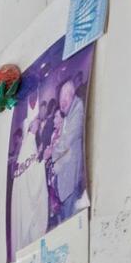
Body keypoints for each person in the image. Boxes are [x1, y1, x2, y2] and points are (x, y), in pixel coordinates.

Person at [10, 91, 50, 254]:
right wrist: (42, 163)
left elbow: (29, 165)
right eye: (36, 124)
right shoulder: (29, 143)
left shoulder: (31, 142)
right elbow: (31, 173)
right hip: (26, 194)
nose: (38, 126)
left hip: (23, 193)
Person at [45, 73, 86, 220]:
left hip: (72, 181)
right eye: (61, 98)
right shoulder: (69, 114)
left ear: (73, 94)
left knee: (71, 221)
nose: (62, 102)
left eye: (65, 97)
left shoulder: (78, 108)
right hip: (64, 183)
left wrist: (51, 152)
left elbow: (68, 139)